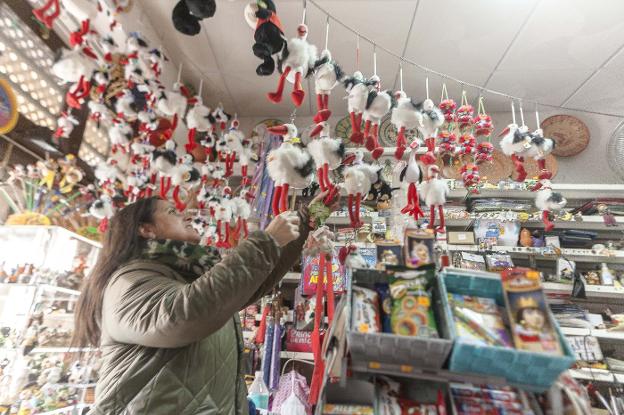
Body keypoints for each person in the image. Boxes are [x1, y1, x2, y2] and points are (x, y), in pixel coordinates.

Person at [73, 192, 334, 414]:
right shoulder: (128, 284)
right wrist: (267, 241)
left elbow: (252, 282)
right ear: (147, 230)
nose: (186, 215)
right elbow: (183, 314)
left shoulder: (186, 279)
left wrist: (309, 218)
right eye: (173, 211)